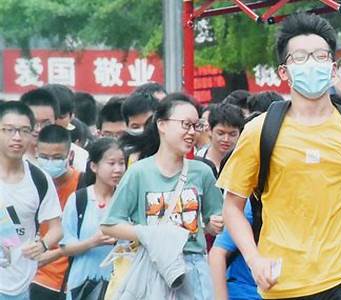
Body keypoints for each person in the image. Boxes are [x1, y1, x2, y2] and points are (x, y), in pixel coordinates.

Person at [217, 13, 341, 299]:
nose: (311, 64)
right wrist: (254, 258)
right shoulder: (259, 132)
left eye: (320, 56)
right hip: (285, 282)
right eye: (300, 57)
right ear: (284, 71)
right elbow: (232, 207)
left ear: (333, 68)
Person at [101, 95, 224, 300]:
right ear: (162, 125)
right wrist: (150, 234)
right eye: (186, 125)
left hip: (194, 269)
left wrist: (214, 224)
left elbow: (212, 222)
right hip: (153, 267)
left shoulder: (202, 172)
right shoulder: (138, 173)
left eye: (196, 125)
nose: (192, 132)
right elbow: (110, 224)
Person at [0, 101, 62, 299]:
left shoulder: (39, 179)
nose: (17, 137)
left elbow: (56, 228)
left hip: (19, 284)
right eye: (9, 130)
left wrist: (42, 245)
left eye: (24, 131)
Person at [59, 138, 126, 300]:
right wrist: (93, 242)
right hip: (81, 285)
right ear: (94, 166)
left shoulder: (126, 200)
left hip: (119, 286)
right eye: (111, 163)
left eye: (122, 163)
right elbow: (66, 247)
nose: (118, 169)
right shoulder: (79, 199)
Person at [30, 125, 84, 299]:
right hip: (33, 276)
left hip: (69, 279)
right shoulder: (31, 184)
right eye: (45, 157)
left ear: (70, 155)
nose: (50, 162)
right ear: (36, 152)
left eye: (57, 158)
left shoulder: (83, 185)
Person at [196, 103, 245, 173]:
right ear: (209, 130)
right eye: (220, 133)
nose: (226, 139)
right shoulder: (197, 161)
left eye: (232, 134)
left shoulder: (245, 162)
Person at [20, 88, 60, 164]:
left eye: (46, 123)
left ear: (56, 121)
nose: (38, 129)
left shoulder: (74, 155)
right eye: (32, 122)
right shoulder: (7, 156)